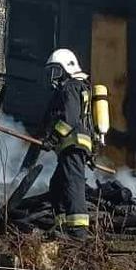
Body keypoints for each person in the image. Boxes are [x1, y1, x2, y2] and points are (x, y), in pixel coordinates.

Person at [39, 49, 99, 238]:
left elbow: (69, 119)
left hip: (72, 144)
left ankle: (78, 232)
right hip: (75, 145)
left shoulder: (70, 87)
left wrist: (53, 139)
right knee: (57, 185)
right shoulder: (80, 87)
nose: (53, 77)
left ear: (67, 67)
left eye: (56, 71)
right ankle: (62, 226)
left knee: (73, 184)